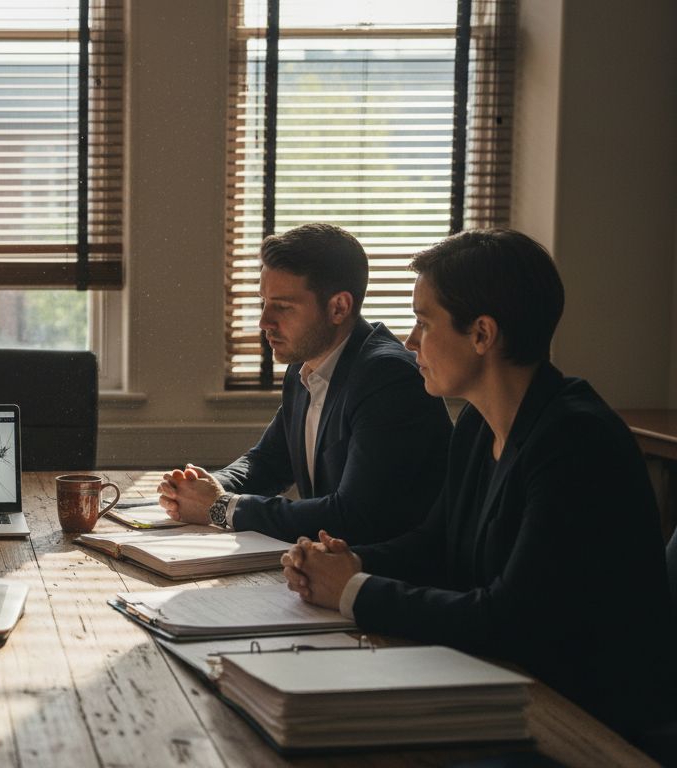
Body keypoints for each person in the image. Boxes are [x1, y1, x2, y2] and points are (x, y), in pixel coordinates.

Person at [281, 229, 677, 745]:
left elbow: (510, 618)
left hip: (588, 719)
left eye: (424, 322)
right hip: (509, 683)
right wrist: (346, 561)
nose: (410, 341)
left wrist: (354, 590)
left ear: (483, 335)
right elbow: (436, 546)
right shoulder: (477, 424)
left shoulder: (576, 440)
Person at [158, 223, 451, 544]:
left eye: (283, 307)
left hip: (381, 578)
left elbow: (352, 516)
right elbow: (268, 462)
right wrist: (201, 486)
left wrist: (221, 507)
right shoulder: (305, 364)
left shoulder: (389, 378)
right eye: (264, 302)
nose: (264, 322)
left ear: (339, 307)